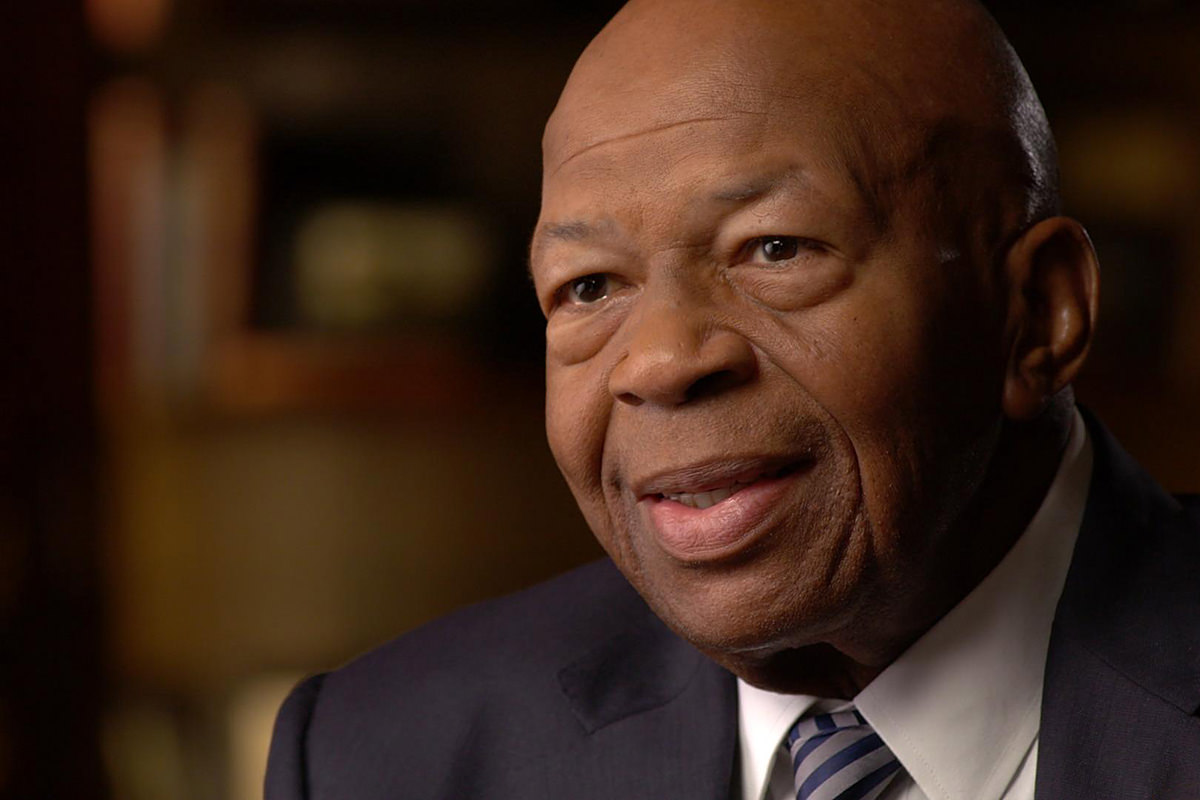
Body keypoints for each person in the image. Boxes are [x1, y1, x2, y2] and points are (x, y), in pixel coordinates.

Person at [265, 0, 1200, 798]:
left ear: (1039, 314)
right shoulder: (385, 759)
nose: (662, 360)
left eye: (776, 248)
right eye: (589, 286)